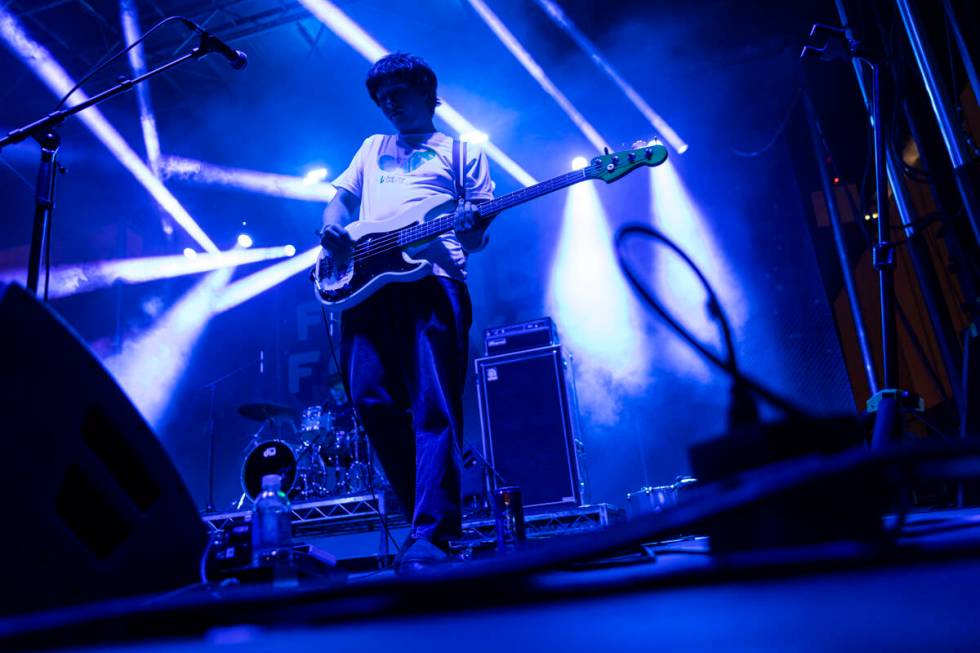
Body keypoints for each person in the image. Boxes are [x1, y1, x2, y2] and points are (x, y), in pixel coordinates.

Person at [319, 53, 494, 572]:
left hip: (434, 284)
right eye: (381, 98)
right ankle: (427, 520)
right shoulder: (372, 148)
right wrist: (332, 234)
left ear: (427, 92)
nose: (388, 105)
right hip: (368, 287)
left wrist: (466, 224)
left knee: (434, 407)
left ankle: (433, 534)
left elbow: (477, 236)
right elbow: (340, 203)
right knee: (370, 401)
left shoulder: (462, 154)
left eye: (398, 93)